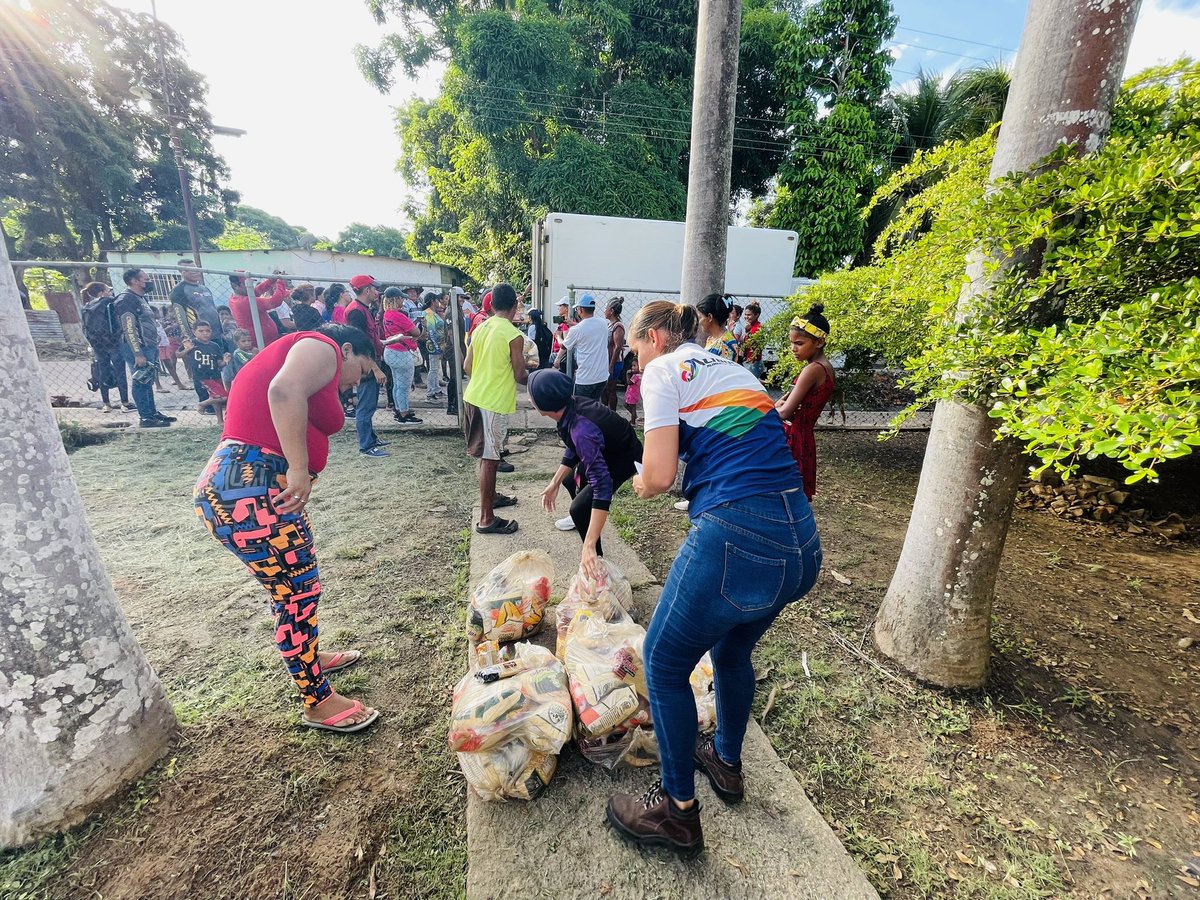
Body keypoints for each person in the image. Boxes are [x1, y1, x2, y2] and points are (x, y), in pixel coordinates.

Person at [604, 301, 820, 858]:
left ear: (652, 338)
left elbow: (656, 476)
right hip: (800, 543)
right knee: (730, 654)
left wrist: (631, 481)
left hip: (740, 536)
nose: (635, 362)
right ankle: (724, 762)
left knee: (663, 660)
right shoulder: (732, 366)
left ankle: (676, 813)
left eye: (634, 349)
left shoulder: (660, 370)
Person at [194, 323, 381, 734]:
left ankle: (309, 656)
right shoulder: (323, 345)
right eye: (363, 371)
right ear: (349, 350)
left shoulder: (312, 356)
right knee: (297, 592)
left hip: (249, 488)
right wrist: (298, 469)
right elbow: (282, 392)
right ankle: (318, 701)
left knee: (294, 590)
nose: (355, 383)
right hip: (253, 488)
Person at [531, 370, 643, 572]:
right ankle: (586, 521)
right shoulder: (570, 405)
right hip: (606, 449)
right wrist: (554, 482)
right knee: (568, 481)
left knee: (579, 508)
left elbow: (602, 484)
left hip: (623, 458)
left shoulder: (582, 430)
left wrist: (588, 545)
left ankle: (596, 561)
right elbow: (574, 445)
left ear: (543, 406)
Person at [462, 283, 527, 535]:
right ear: (515, 306)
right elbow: (521, 375)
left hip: (474, 398)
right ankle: (486, 519)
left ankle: (493, 498)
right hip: (492, 403)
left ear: (490, 305)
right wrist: (540, 377)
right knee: (490, 460)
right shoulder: (513, 334)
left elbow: (468, 367)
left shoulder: (481, 328)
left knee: (489, 457)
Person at [775, 305, 836, 502]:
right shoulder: (825, 368)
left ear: (819, 342)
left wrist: (763, 409)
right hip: (804, 437)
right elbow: (783, 403)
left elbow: (784, 412)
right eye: (792, 343)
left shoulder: (813, 370)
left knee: (784, 494)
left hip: (793, 438)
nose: (793, 348)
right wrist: (777, 407)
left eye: (799, 343)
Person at [113, 269, 174, 428]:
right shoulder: (126, 300)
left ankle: (152, 412)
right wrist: (137, 353)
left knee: (148, 380)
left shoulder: (140, 298)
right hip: (137, 347)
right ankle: (145, 417)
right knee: (140, 380)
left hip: (149, 345)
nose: (149, 282)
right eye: (146, 279)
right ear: (135, 281)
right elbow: (129, 328)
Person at [344, 275, 390, 457]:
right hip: (366, 367)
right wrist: (375, 368)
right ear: (366, 290)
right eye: (374, 288)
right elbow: (361, 344)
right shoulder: (356, 311)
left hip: (370, 363)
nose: (377, 292)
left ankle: (371, 438)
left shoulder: (363, 309)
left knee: (369, 404)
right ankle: (366, 446)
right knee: (365, 405)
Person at [170, 259, 222, 409]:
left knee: (216, 369)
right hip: (198, 338)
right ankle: (207, 404)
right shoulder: (179, 291)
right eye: (190, 270)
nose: (195, 272)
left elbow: (212, 309)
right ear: (182, 272)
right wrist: (189, 338)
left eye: (196, 269)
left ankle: (218, 400)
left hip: (215, 334)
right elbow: (180, 316)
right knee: (202, 371)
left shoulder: (204, 288)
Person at [81, 281, 133, 412]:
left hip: (98, 344)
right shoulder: (108, 301)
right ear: (101, 292)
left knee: (102, 372)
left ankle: (106, 404)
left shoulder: (87, 306)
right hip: (113, 342)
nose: (110, 292)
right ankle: (125, 402)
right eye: (107, 290)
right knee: (120, 372)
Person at [381, 287, 423, 425]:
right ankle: (404, 414)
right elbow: (416, 332)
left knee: (397, 384)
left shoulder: (386, 314)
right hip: (401, 352)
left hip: (390, 350)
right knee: (404, 385)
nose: (403, 300)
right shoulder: (398, 315)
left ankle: (399, 409)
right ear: (396, 299)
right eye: (401, 298)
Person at [557, 293, 609, 400]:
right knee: (594, 407)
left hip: (585, 379)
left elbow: (564, 346)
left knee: (580, 409)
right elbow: (589, 328)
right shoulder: (603, 323)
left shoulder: (576, 330)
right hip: (602, 377)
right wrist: (574, 324)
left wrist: (558, 337)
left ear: (580, 310)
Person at [181, 321, 230, 424]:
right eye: (201, 331)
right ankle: (202, 404)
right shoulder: (192, 343)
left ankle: (220, 421)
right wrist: (187, 350)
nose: (205, 333)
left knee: (216, 399)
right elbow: (178, 354)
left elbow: (219, 362)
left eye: (207, 331)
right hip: (202, 377)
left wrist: (225, 362)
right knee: (222, 397)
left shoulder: (214, 346)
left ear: (211, 332)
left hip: (215, 375)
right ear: (194, 332)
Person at [229, 272, 288, 348]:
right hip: (261, 342)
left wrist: (270, 281)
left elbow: (255, 292)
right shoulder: (243, 301)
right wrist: (281, 283)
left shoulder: (236, 297)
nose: (251, 287)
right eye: (246, 285)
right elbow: (274, 302)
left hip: (265, 340)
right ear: (235, 286)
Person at [603, 297, 627, 410]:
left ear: (611, 311)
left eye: (606, 308)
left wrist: (611, 365)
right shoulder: (610, 325)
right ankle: (605, 411)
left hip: (614, 362)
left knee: (611, 389)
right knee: (605, 388)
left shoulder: (618, 326)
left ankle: (612, 413)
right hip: (607, 361)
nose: (604, 311)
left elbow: (618, 347)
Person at [422, 292, 447, 402]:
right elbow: (431, 331)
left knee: (436, 368)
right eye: (437, 300)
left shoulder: (433, 313)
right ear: (433, 301)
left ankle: (436, 389)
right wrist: (437, 346)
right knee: (433, 368)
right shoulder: (429, 314)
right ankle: (430, 392)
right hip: (433, 344)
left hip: (436, 343)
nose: (439, 302)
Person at [741, 302, 763, 378]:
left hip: (753, 362)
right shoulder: (750, 327)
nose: (746, 317)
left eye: (749, 315)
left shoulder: (758, 328)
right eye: (745, 314)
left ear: (757, 315)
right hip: (748, 360)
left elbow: (755, 345)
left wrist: (748, 332)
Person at [624, 359, 642, 427]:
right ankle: (634, 417)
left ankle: (633, 422)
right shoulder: (640, 375)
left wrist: (627, 374)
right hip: (634, 394)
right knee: (626, 404)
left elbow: (629, 382)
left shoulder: (636, 376)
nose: (632, 367)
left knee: (632, 407)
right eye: (632, 366)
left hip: (632, 394)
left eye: (634, 366)